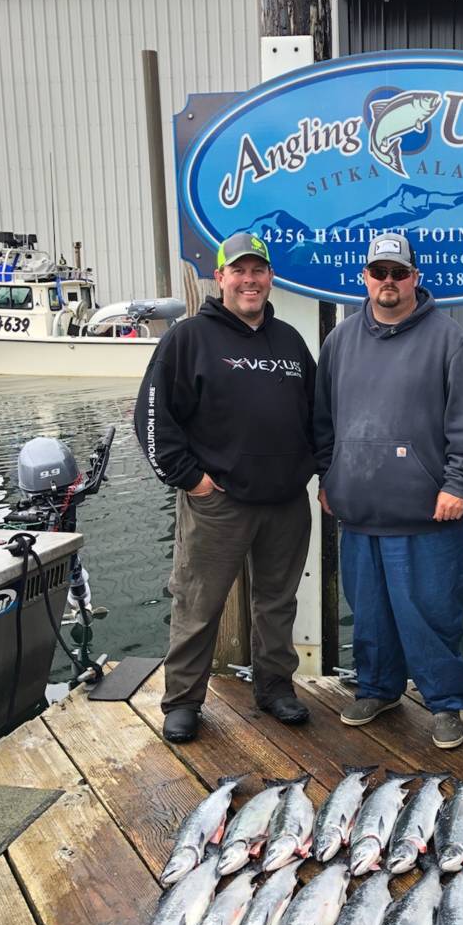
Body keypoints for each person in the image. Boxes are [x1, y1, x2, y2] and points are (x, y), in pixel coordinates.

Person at [134, 232, 316, 743]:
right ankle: (184, 700)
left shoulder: (290, 341)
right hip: (218, 503)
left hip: (284, 503)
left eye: (258, 270)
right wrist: (189, 477)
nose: (249, 280)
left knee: (277, 603)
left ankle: (275, 687)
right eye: (239, 270)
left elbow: (317, 414)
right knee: (198, 602)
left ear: (270, 277)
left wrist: (319, 469)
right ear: (221, 278)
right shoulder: (188, 337)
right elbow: (152, 417)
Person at [314, 232, 463, 749]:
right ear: (365, 278)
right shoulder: (339, 339)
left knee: (433, 613)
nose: (388, 282)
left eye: (399, 272)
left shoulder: (449, 338)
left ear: (415, 277)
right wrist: (328, 474)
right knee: (368, 614)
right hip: (359, 511)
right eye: (379, 273)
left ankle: (447, 703)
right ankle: (377, 688)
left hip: (429, 512)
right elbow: (321, 419)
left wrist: (458, 482)